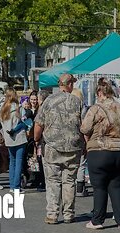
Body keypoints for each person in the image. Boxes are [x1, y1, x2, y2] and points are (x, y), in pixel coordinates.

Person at [34, 73, 84, 224]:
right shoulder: (77, 101)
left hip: (52, 147)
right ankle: (69, 214)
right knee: (69, 181)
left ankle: (52, 214)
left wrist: (36, 140)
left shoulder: (48, 101)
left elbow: (39, 124)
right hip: (73, 147)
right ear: (69, 84)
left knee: (53, 181)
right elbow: (84, 126)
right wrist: (85, 144)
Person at [80, 81, 120, 230]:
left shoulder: (96, 108)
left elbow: (85, 128)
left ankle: (97, 220)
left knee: (99, 187)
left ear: (99, 93)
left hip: (100, 150)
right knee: (116, 186)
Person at [1, 89, 28, 192]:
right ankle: (17, 186)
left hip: (8, 139)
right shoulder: (18, 108)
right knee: (18, 162)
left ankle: (12, 185)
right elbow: (24, 122)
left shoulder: (3, 110)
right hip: (19, 138)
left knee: (12, 162)